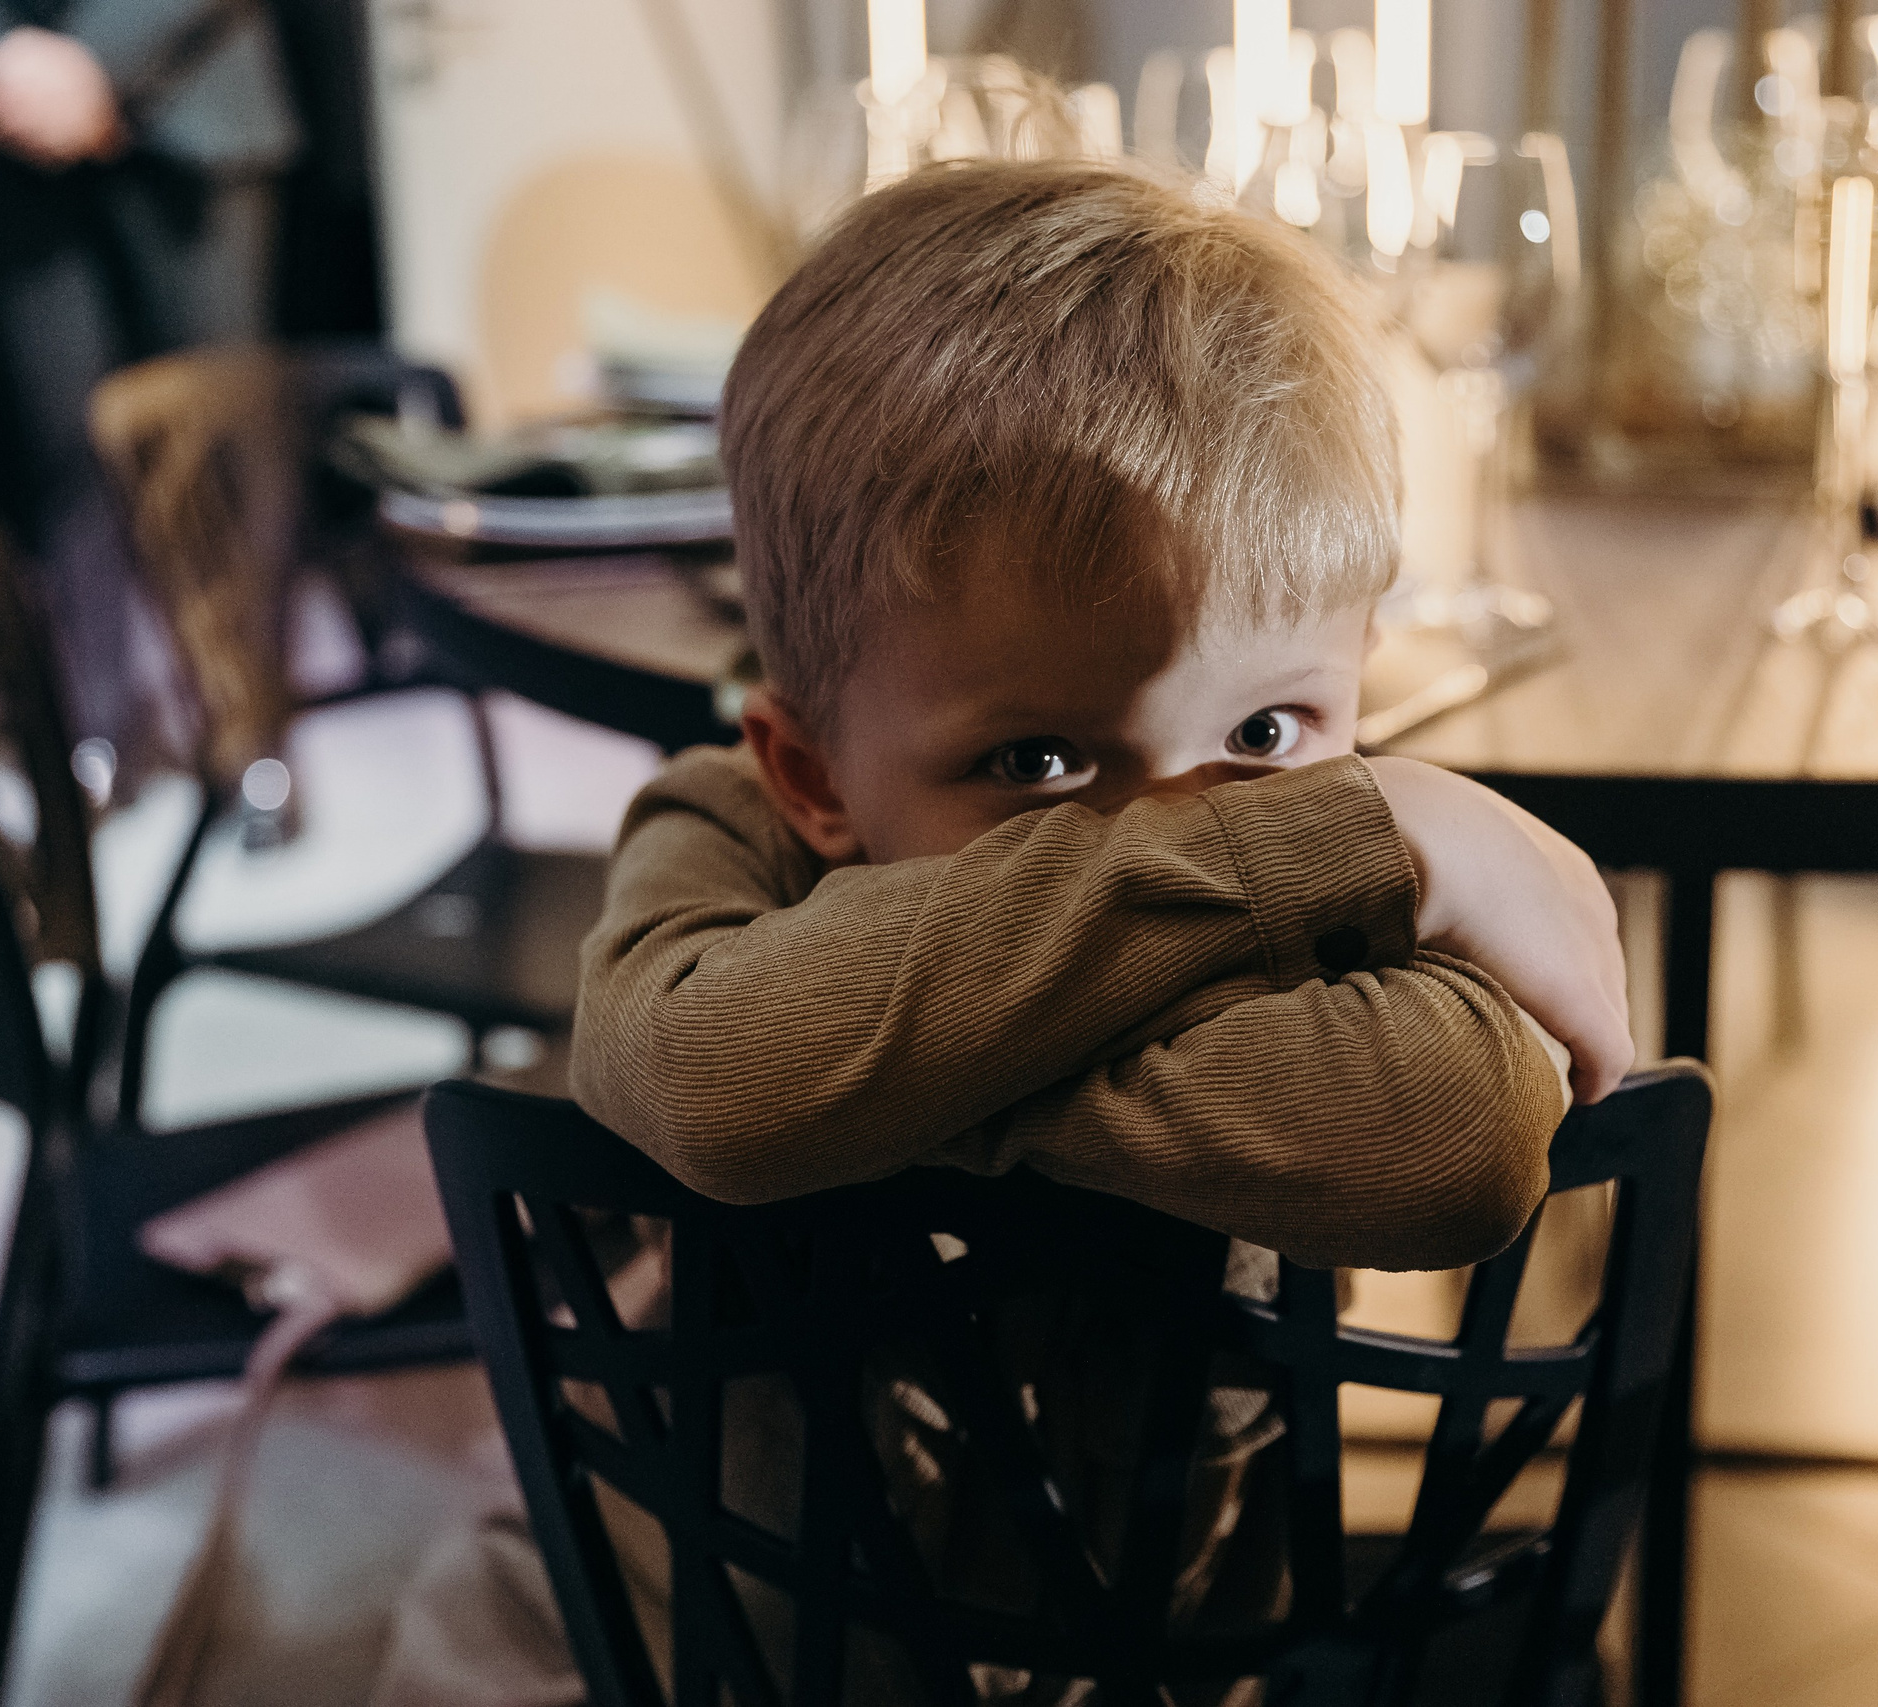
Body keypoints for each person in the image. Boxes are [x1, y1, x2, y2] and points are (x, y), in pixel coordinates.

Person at [371, 159, 1630, 1705]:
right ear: (813, 772)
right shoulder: (730, 827)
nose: (1185, 817)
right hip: (657, 1653)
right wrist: (1340, 825)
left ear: (1360, 668)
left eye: (1266, 729)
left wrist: (889, 1074)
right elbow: (705, 1069)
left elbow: (1458, 1140)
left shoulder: (1372, 879)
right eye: (1037, 761)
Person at [0, 0, 300, 746]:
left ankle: (249, 731)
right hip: (11, 117)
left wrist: (93, 61)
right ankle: (100, 724)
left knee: (221, 445)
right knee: (65, 440)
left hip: (194, 85)